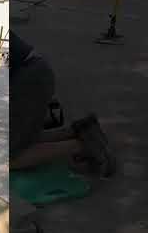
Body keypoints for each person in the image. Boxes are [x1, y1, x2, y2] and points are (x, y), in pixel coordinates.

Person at [9, 30, 116, 177]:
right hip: (36, 72)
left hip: (29, 80)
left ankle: (84, 145)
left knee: (11, 157)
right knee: (20, 139)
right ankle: (80, 131)